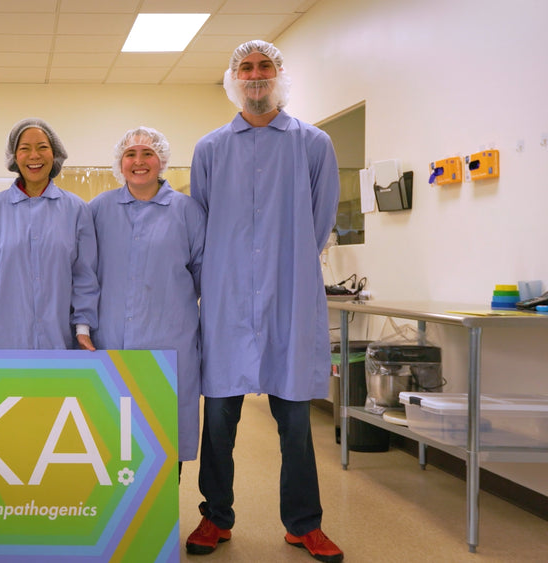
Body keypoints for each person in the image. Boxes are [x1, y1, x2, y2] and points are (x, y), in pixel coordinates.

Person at [186, 41, 343, 563]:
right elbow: (202, 223)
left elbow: (319, 223)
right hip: (228, 303)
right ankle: (216, 517)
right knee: (220, 420)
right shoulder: (210, 149)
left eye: (264, 67)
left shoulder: (313, 144)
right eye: (246, 68)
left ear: (279, 76)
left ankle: (304, 524)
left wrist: (287, 268)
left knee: (296, 422)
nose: (255, 75)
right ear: (233, 78)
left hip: (289, 301)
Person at [88, 126, 205, 468]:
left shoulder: (187, 212)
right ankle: (117, 517)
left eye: (148, 154)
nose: (139, 162)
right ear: (119, 163)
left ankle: (161, 511)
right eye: (130, 154)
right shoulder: (98, 210)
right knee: (112, 436)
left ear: (162, 161)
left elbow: (202, 275)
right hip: (110, 341)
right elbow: (84, 273)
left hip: (170, 342)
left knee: (162, 436)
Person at [0, 118, 98, 351]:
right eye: (25, 149)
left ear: (55, 154)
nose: (34, 156)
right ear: (14, 157)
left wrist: (83, 329)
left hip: (57, 341)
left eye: (42, 147)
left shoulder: (77, 210)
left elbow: (84, 277)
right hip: (3, 341)